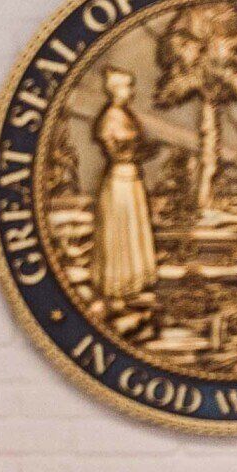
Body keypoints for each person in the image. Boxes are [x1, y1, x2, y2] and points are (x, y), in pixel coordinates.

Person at [92, 66, 159, 307]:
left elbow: (133, 147)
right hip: (120, 178)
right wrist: (140, 151)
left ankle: (133, 284)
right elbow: (119, 150)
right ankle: (118, 285)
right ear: (116, 89)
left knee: (133, 224)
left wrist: (144, 151)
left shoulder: (126, 115)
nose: (131, 92)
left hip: (131, 177)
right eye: (127, 87)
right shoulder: (111, 118)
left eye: (131, 87)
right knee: (121, 225)